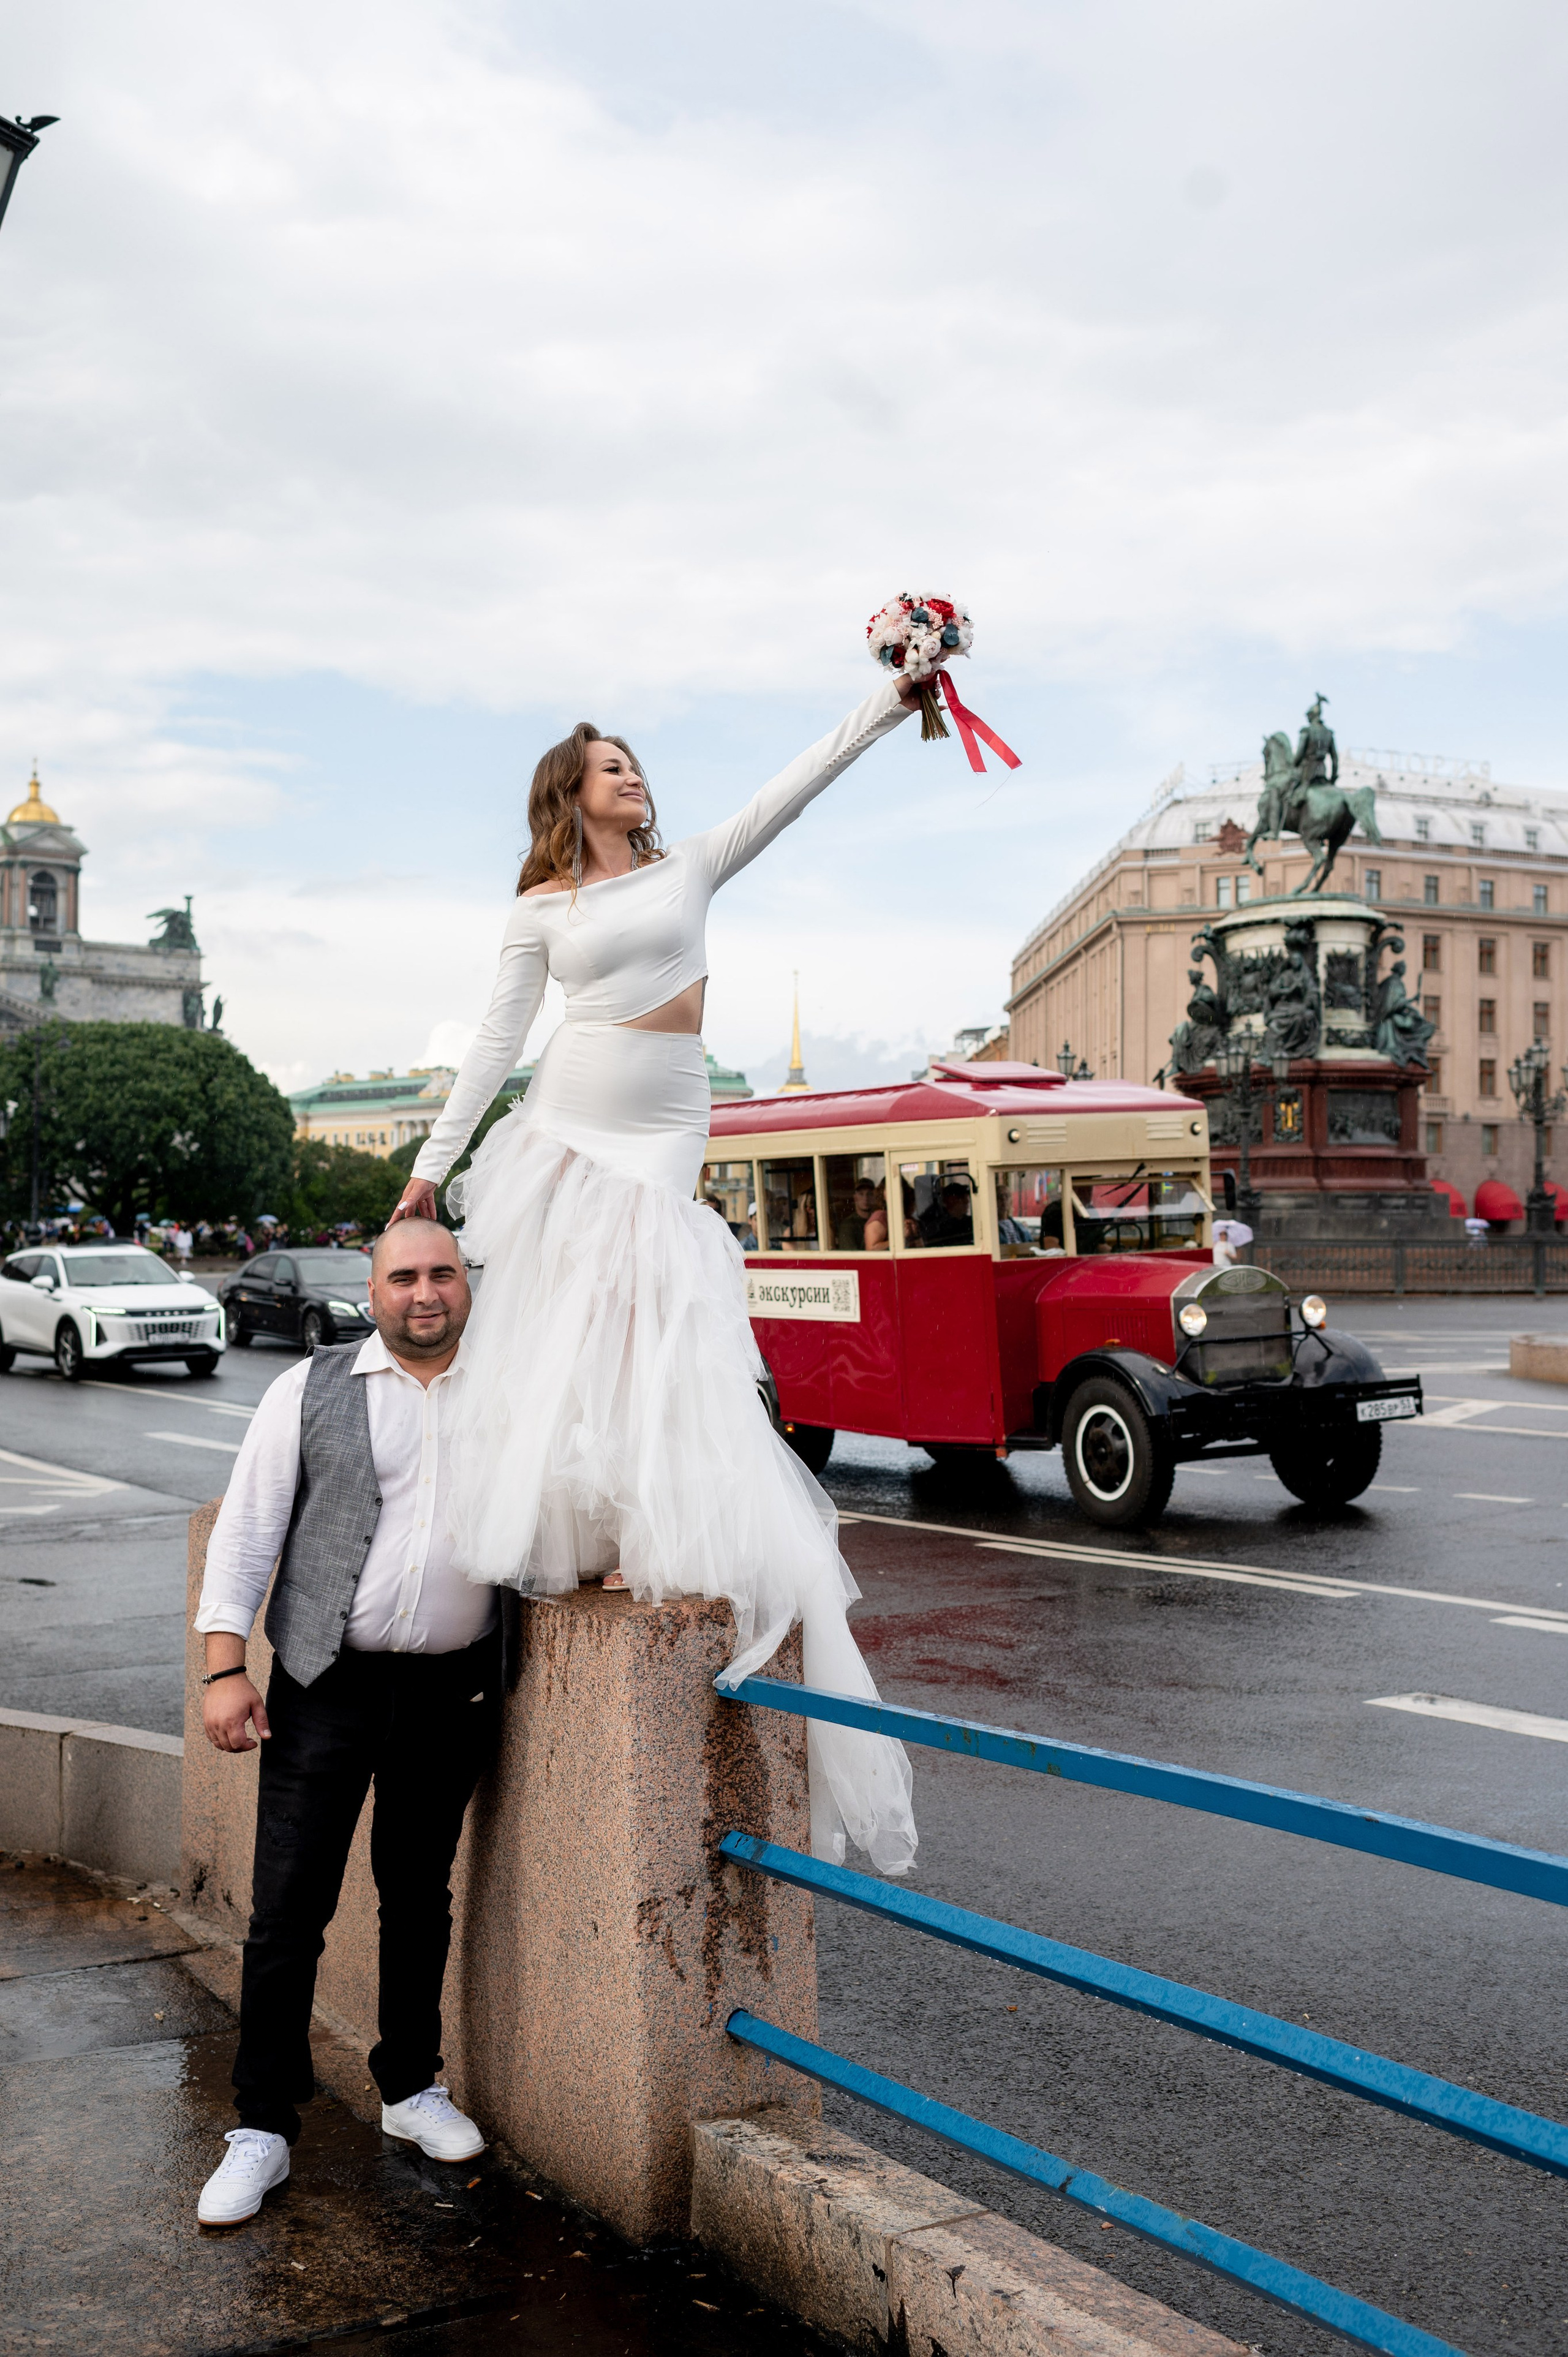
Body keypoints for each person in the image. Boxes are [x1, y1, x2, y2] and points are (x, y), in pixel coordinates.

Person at [390, 677, 922, 1875]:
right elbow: (494, 1043)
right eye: (609, 767)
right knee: (580, 1318)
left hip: (670, 1114)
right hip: (572, 1110)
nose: (631, 778)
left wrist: (893, 698)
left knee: (659, 1314)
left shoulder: (687, 869)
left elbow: (796, 784)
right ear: (568, 796)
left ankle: (637, 1523)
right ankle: (598, 1534)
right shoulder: (539, 908)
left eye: (633, 765)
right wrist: (431, 1170)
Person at [191, 1218, 513, 2227]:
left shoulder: (513, 1392)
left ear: (469, 1285)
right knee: (290, 1911)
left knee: (419, 1898)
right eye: (405, 1276)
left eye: (444, 1275)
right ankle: (260, 2126)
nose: (427, 1293)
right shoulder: (312, 1386)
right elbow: (248, 1529)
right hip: (327, 1685)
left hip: (454, 1688)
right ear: (371, 1291)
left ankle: (410, 2089)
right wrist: (225, 1668)